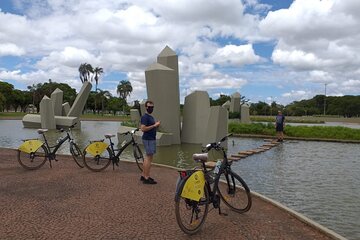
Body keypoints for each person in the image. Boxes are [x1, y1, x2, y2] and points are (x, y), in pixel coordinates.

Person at [140, 100, 160, 184]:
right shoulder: (145, 117)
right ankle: (146, 177)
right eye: (149, 107)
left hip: (151, 139)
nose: (151, 108)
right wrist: (154, 125)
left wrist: (155, 125)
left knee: (148, 158)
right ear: (146, 107)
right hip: (148, 139)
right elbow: (143, 128)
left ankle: (144, 175)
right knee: (148, 158)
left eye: (152, 107)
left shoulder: (150, 117)